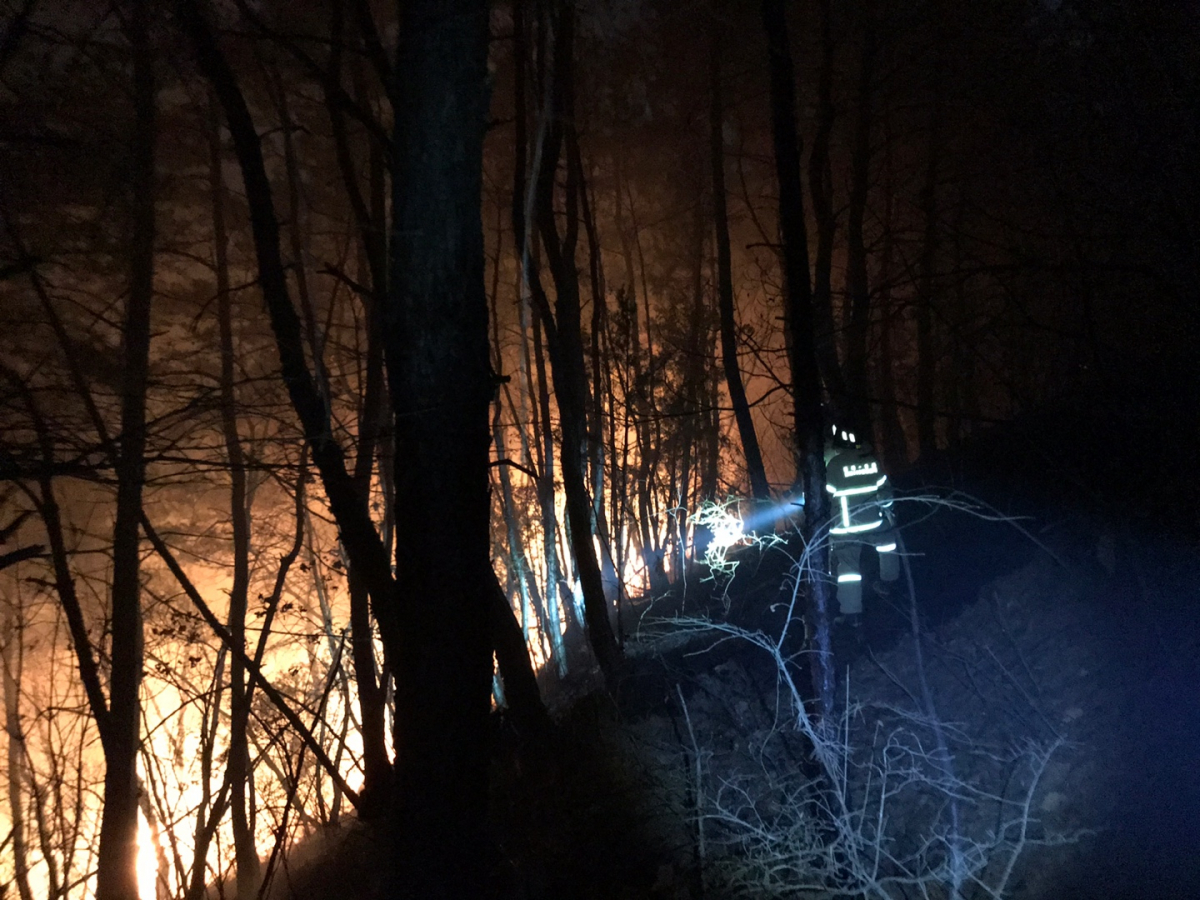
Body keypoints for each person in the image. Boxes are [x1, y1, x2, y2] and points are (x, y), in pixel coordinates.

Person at [824, 424, 899, 625]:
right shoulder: (873, 462)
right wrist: (886, 510)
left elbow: (826, 497)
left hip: (845, 528)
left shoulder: (834, 466)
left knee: (848, 570)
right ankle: (889, 583)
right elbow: (886, 494)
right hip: (874, 522)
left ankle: (851, 614)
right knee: (888, 544)